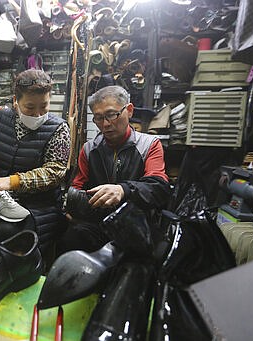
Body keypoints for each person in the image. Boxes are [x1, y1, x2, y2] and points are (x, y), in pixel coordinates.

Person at [0, 69, 70, 261]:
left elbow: (55, 172)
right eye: (30, 107)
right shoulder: (2, 118)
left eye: (44, 106)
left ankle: (4, 282)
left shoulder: (59, 129)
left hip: (37, 205)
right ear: (15, 101)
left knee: (8, 233)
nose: (38, 114)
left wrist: (12, 182)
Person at [61, 85, 171, 252]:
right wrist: (71, 207)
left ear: (129, 110)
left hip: (136, 226)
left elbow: (158, 187)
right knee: (71, 239)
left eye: (111, 115)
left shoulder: (149, 145)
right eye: (98, 118)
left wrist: (123, 190)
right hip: (98, 225)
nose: (105, 124)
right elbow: (77, 187)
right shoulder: (89, 149)